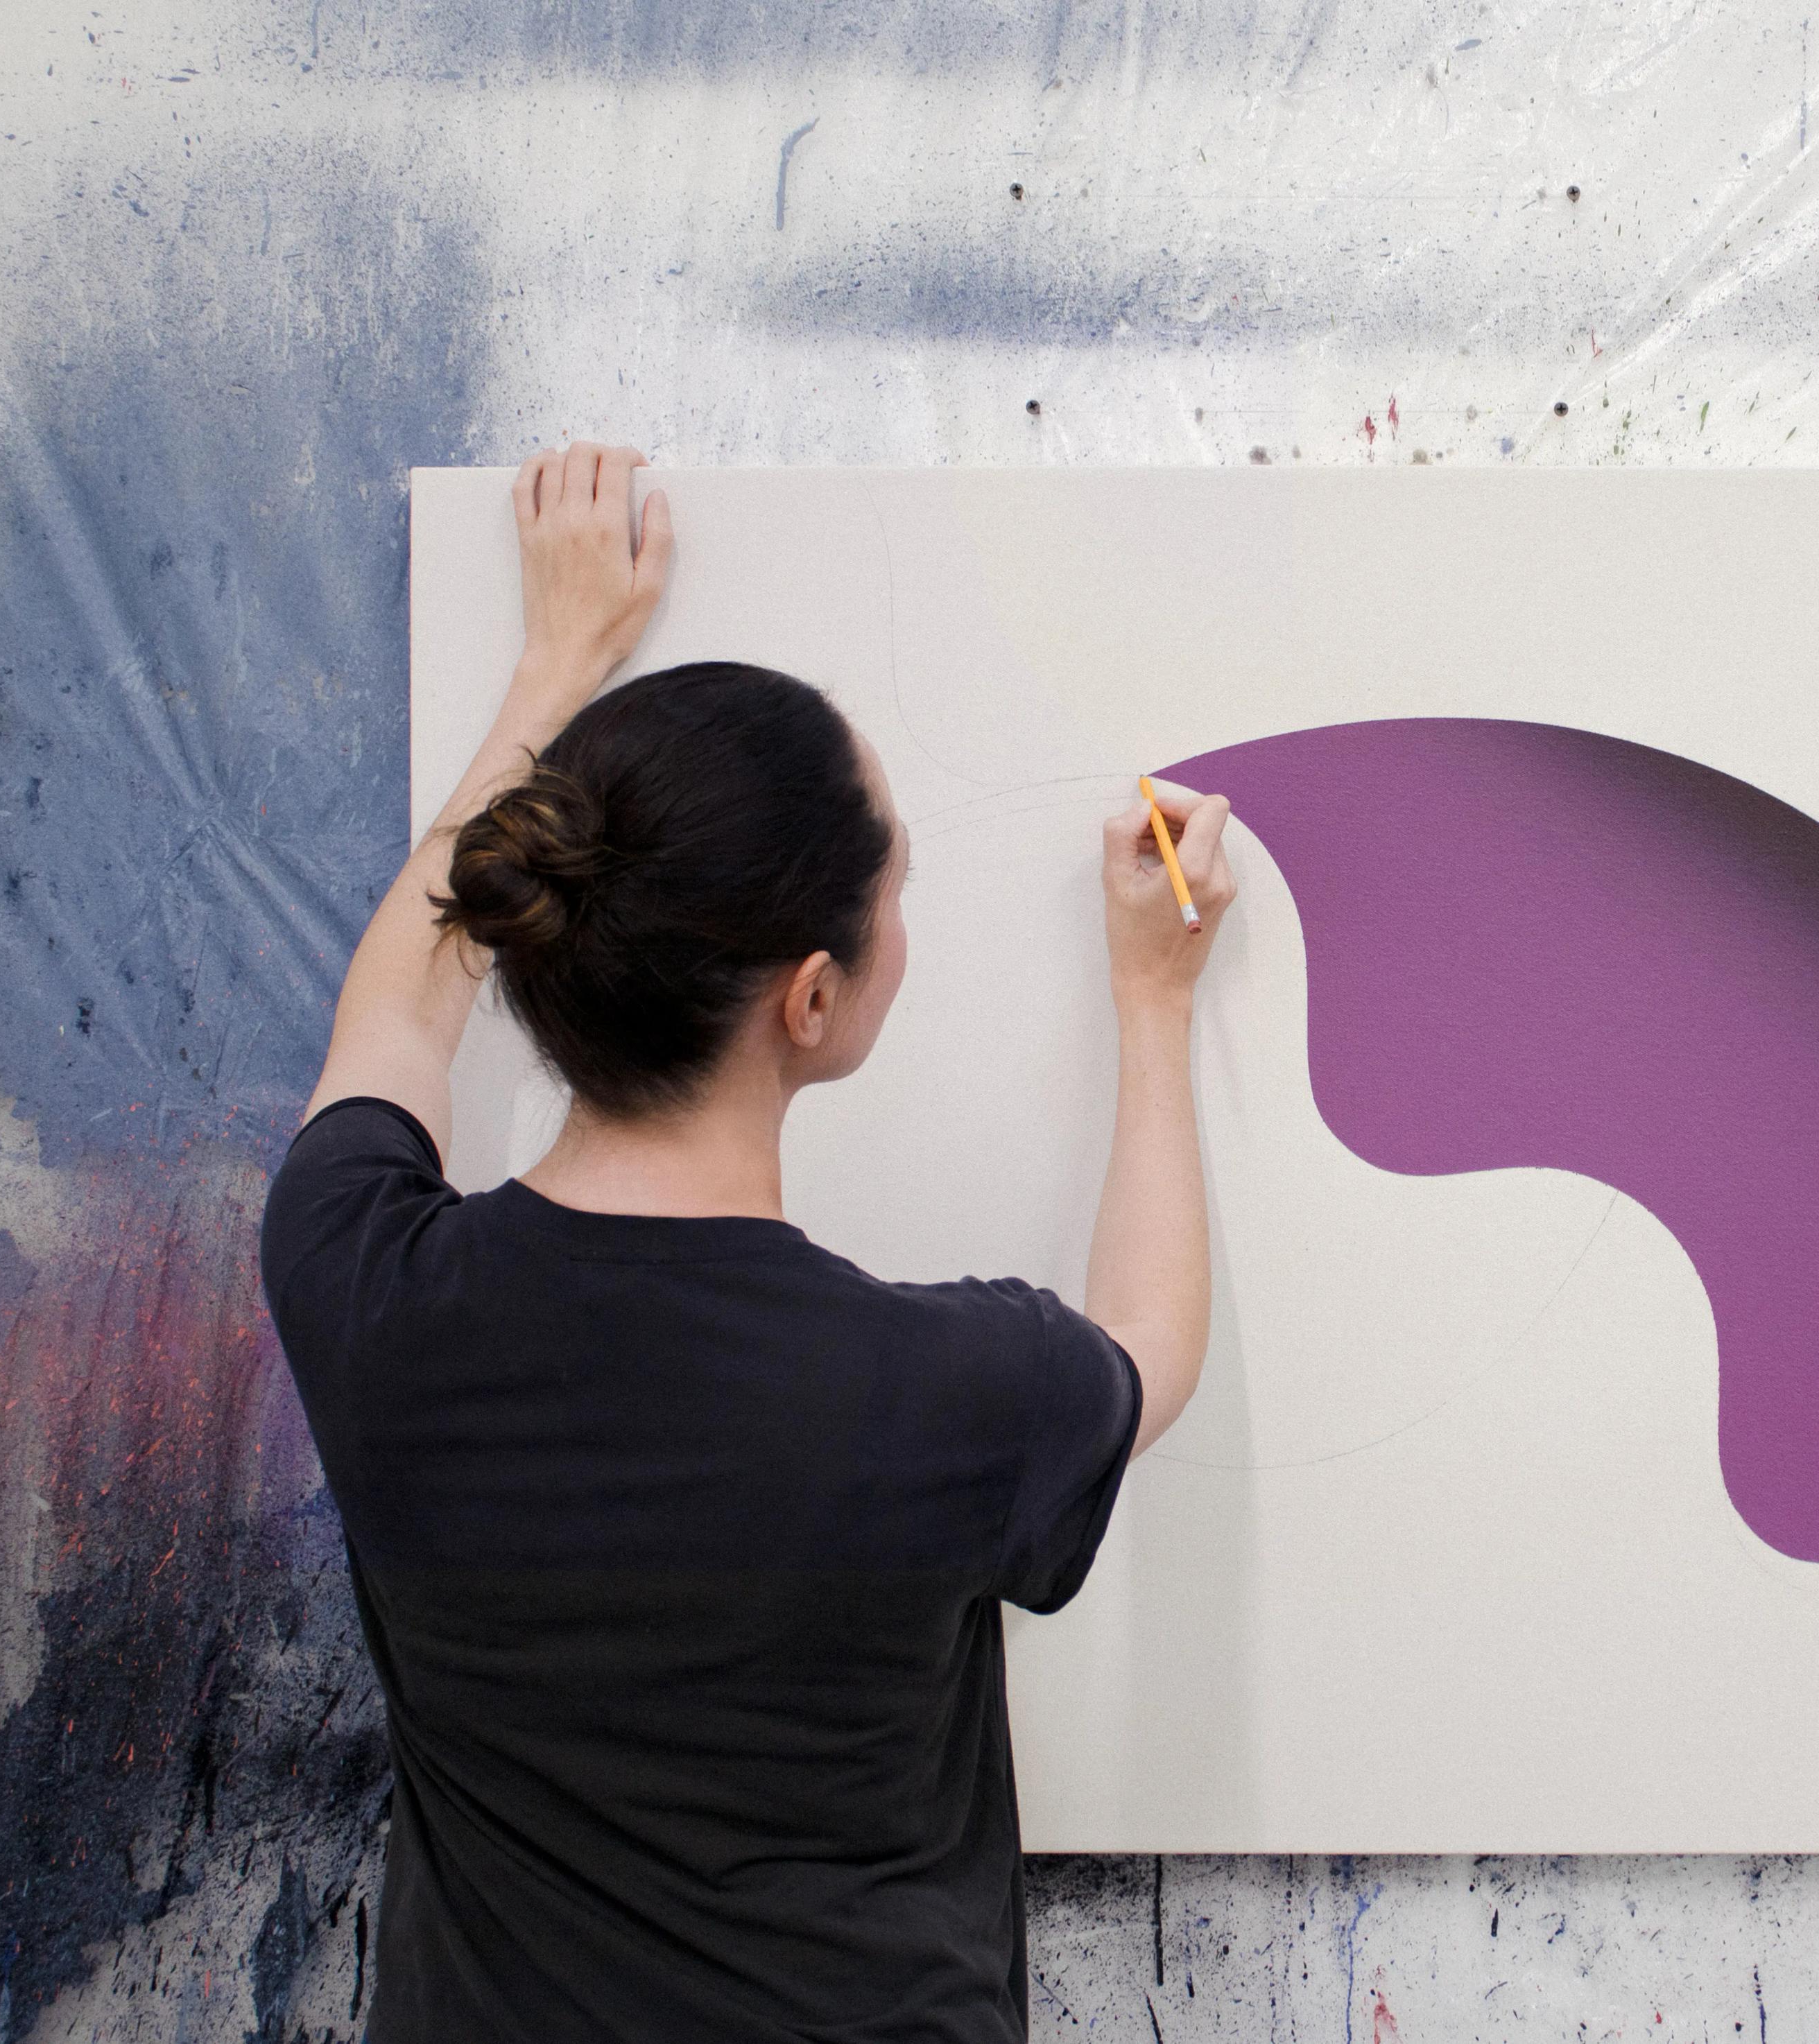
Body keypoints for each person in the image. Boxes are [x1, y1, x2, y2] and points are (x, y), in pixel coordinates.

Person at [259, 442, 1236, 2041]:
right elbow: (1151, 1337)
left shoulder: (366, 1288)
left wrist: (558, 658)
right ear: (812, 998)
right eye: (896, 881)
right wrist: (1155, 997)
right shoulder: (942, 1388)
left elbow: (396, 1013)